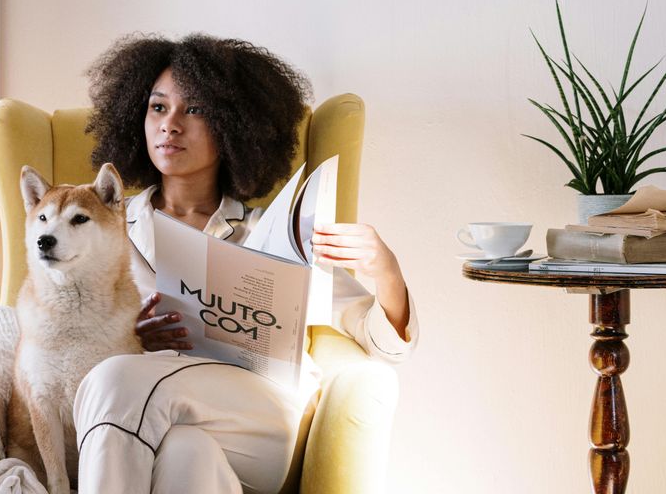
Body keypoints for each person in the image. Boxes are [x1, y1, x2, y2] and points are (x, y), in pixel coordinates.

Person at [74, 34, 418, 494]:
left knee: (115, 380)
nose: (170, 125)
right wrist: (128, 336)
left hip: (257, 421)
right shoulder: (101, 228)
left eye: (194, 110)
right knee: (185, 455)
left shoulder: (271, 232)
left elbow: (385, 344)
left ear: (233, 127)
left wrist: (385, 269)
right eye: (158, 108)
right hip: (157, 420)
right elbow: (60, 339)